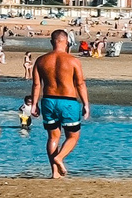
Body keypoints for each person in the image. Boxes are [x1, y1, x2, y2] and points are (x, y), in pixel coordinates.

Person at [29, 29, 91, 178]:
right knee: (73, 137)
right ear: (67, 42)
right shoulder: (73, 61)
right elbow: (80, 84)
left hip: (48, 100)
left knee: (53, 137)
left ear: (52, 42)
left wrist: (34, 104)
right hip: (68, 101)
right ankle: (59, 158)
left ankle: (55, 173)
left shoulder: (41, 60)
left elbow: (37, 85)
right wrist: (86, 104)